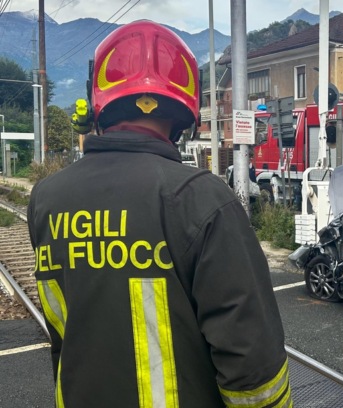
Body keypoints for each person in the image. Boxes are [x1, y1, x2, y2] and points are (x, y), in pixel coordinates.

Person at [27, 21, 291, 407]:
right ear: (185, 110)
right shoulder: (203, 200)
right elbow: (254, 372)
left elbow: (64, 328)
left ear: (100, 100)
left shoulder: (47, 198)